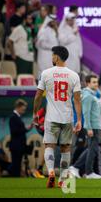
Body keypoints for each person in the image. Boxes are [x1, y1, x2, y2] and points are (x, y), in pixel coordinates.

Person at [32, 46, 82, 188]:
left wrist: (35, 113)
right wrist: (78, 120)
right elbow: (77, 99)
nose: (51, 58)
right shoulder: (74, 75)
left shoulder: (46, 73)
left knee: (49, 146)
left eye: (52, 55)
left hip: (51, 117)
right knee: (66, 148)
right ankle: (63, 179)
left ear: (56, 57)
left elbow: (37, 96)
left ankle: (52, 172)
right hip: (67, 118)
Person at [76, 75, 101, 179]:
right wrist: (88, 128)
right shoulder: (88, 96)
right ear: (87, 83)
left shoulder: (92, 95)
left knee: (92, 149)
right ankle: (87, 171)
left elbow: (94, 113)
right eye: (93, 82)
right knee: (92, 149)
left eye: (96, 82)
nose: (96, 84)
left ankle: (81, 169)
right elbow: (86, 113)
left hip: (95, 125)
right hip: (92, 126)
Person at [9, 99, 33, 177]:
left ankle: (15, 178)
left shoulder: (17, 117)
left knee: (18, 164)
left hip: (19, 146)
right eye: (23, 109)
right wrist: (25, 129)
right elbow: (15, 131)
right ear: (18, 107)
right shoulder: (13, 117)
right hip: (16, 146)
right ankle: (14, 179)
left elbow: (19, 130)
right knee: (15, 165)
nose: (24, 111)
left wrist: (28, 128)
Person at [58, 8, 83, 74]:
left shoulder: (75, 29)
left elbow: (79, 42)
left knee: (75, 73)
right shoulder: (62, 29)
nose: (71, 21)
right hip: (68, 55)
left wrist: (80, 53)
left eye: (73, 20)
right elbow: (62, 41)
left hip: (75, 55)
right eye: (70, 20)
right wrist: (73, 34)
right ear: (66, 20)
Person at [35, 12, 59, 77]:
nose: (54, 22)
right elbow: (41, 44)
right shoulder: (43, 30)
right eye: (53, 21)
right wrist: (52, 47)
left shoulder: (53, 30)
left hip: (51, 57)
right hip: (44, 57)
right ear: (49, 21)